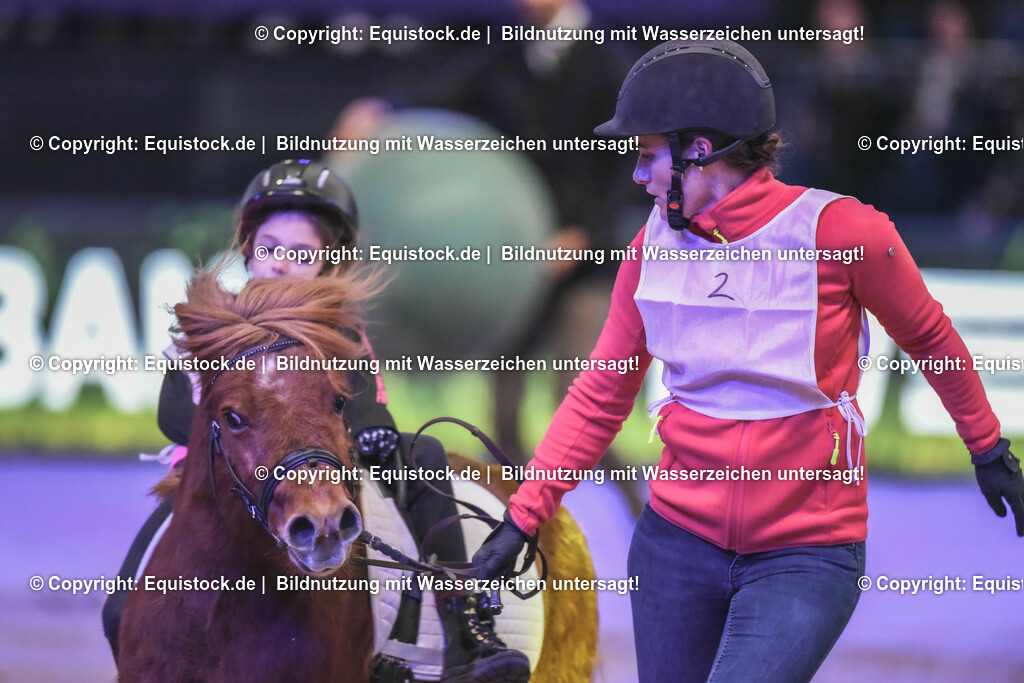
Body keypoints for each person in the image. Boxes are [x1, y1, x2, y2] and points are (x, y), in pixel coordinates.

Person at [472, 40, 1024, 682]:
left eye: (647, 155)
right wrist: (523, 517)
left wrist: (987, 449)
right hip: (674, 544)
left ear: (699, 151)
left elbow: (931, 339)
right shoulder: (648, 251)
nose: (636, 174)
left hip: (807, 553)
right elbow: (600, 395)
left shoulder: (845, 233)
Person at [104, 159, 529, 683]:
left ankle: (466, 621)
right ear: (248, 249)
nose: (282, 262)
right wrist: (236, 422)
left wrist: (371, 423)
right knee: (125, 595)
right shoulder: (219, 325)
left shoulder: (334, 330)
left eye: (301, 253)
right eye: (270, 247)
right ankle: (131, 623)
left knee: (426, 456)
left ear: (329, 262)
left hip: (320, 462)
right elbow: (173, 413)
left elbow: (363, 394)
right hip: (226, 472)